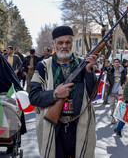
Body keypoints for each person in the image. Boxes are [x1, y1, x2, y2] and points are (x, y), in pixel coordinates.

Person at [29, 26, 98, 158]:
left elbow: (93, 95)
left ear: (72, 43)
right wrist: (55, 94)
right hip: (54, 127)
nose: (64, 46)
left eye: (68, 42)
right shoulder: (43, 66)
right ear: (54, 44)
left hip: (78, 124)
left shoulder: (83, 64)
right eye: (60, 43)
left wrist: (89, 72)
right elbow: (33, 97)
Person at [0, 48, 27, 153]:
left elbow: (13, 79)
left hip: (9, 95)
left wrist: (17, 91)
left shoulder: (6, 66)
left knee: (12, 117)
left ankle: (12, 142)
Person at [106, 58, 126, 124]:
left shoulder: (123, 70)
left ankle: (119, 117)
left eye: (118, 62)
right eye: (115, 62)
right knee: (112, 105)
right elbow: (107, 79)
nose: (116, 63)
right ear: (113, 63)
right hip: (112, 90)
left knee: (119, 105)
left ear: (119, 63)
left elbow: (125, 78)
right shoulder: (110, 70)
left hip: (120, 91)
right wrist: (107, 82)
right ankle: (112, 118)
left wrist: (123, 83)